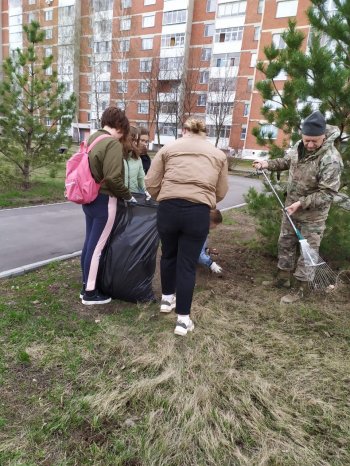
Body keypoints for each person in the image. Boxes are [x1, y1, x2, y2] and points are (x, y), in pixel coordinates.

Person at [145, 118, 228, 336]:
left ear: (184, 131)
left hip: (168, 209)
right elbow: (221, 190)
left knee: (168, 255)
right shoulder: (218, 154)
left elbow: (151, 181)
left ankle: (166, 299)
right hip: (197, 212)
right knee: (187, 265)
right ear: (204, 133)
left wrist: (162, 197)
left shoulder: (168, 148)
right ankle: (183, 320)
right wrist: (206, 199)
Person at [252, 111, 343, 303]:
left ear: (323, 137)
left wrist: (301, 203)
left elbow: (328, 193)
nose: (310, 145)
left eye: (314, 141)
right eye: (307, 140)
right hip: (290, 210)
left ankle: (300, 288)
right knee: (285, 243)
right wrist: (266, 163)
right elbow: (287, 161)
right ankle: (283, 278)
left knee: (307, 253)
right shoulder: (299, 147)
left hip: (313, 217)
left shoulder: (331, 159)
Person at [81, 106, 133, 305]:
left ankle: (86, 284)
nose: (122, 137)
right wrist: (127, 196)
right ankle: (91, 293)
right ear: (120, 126)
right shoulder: (112, 144)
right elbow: (112, 178)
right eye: (123, 132)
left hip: (89, 198)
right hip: (104, 200)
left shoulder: (92, 138)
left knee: (89, 244)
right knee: (97, 248)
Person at [123, 125, 150, 198]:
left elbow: (141, 178)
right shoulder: (117, 156)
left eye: (136, 140)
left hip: (134, 196)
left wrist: (148, 191)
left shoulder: (138, 159)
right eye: (133, 140)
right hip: (119, 197)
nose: (135, 143)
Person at [198, 209, 223, 274]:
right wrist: (211, 264)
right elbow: (198, 254)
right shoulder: (200, 232)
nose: (216, 227)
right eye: (216, 225)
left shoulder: (201, 227)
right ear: (210, 222)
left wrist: (207, 250)